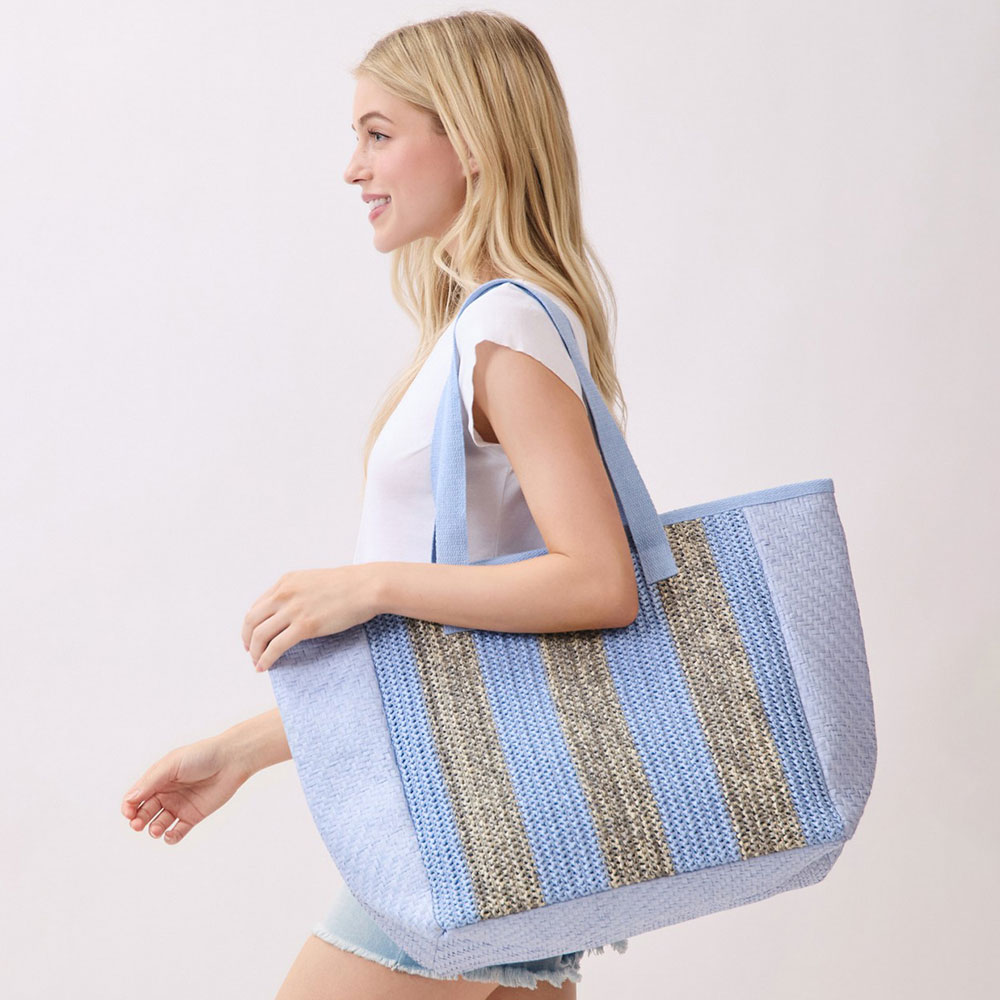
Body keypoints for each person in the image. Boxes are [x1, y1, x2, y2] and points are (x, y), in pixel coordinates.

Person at [120, 10, 638, 998]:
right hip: (505, 806)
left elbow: (599, 582)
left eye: (378, 133)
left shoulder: (506, 328)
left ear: (471, 143)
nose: (352, 167)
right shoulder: (484, 326)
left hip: (469, 816)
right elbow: (458, 655)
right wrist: (243, 749)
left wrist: (369, 586)